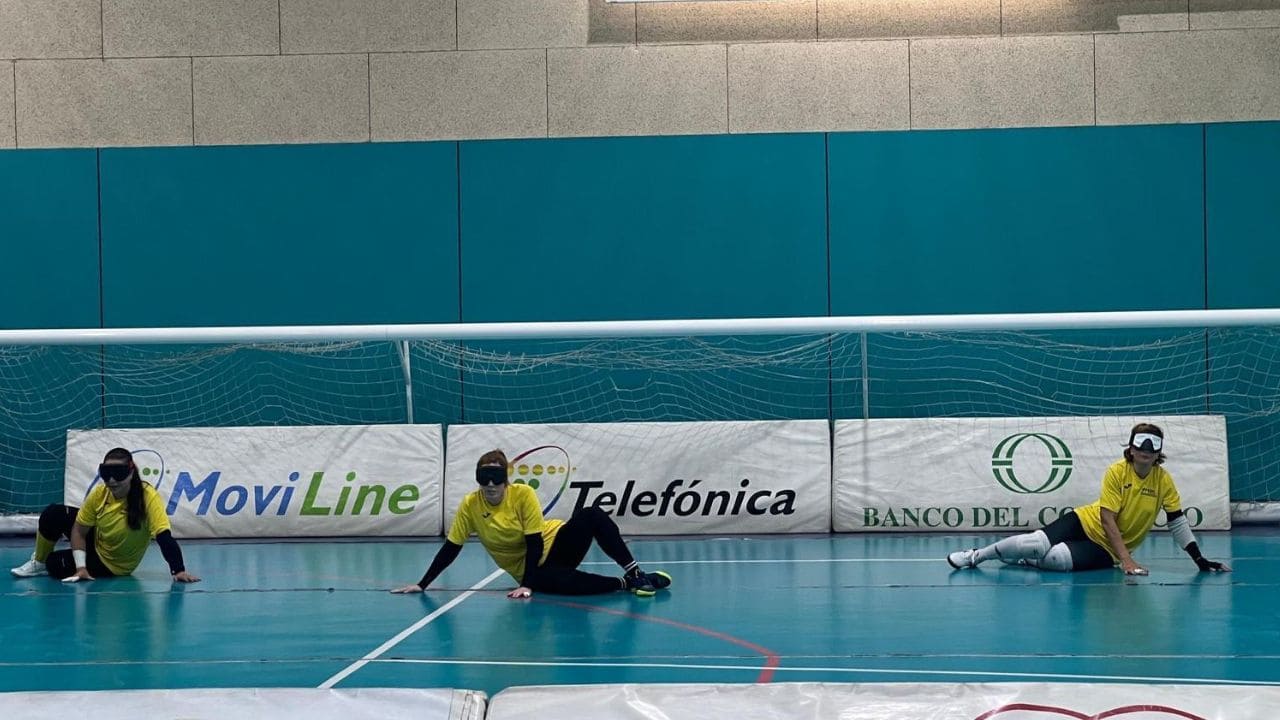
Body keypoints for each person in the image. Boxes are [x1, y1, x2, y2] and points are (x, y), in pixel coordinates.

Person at [947, 423, 1231, 575]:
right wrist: (1128, 560)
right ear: (1130, 449)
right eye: (1140, 442)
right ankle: (976, 557)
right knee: (1032, 543)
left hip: (1105, 549)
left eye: (1153, 444)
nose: (1145, 448)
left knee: (1056, 560)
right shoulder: (1116, 472)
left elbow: (1176, 522)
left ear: (1159, 452)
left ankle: (1024, 561)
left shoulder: (1164, 481)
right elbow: (1107, 519)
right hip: (1085, 522)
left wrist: (1199, 559)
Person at [393, 449, 671, 598]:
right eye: (483, 478)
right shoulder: (470, 504)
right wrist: (423, 583)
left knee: (591, 514)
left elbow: (534, 541)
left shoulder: (522, 494)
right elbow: (452, 547)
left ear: (506, 479)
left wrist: (526, 585)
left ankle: (635, 573)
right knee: (551, 581)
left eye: (496, 478)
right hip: (533, 568)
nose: (490, 485)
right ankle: (623, 584)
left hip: (555, 543)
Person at [10, 447, 200, 583]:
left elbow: (163, 536)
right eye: (106, 473)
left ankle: (49, 563)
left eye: (118, 474)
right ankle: (39, 562)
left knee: (56, 564)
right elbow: (79, 529)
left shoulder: (147, 497)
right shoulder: (100, 493)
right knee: (54, 513)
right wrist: (81, 567)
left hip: (112, 564)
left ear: (131, 472)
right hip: (97, 541)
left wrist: (178, 570)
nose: (111, 480)